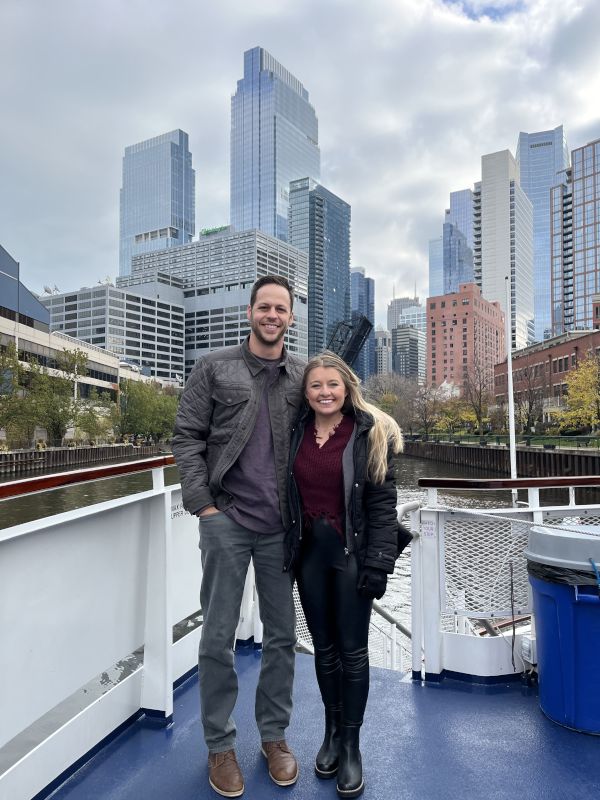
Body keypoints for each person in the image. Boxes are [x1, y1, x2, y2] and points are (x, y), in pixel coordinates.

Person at [172, 276, 304, 798]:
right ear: (250, 311)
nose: (272, 315)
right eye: (264, 307)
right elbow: (186, 435)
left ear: (291, 317)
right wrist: (203, 505)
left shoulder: (303, 375)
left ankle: (274, 737)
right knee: (217, 637)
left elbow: (339, 424)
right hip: (225, 519)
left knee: (282, 637)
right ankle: (220, 745)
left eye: (282, 309)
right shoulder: (213, 367)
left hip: (282, 528)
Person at [285, 351, 403, 799]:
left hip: (351, 554)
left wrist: (378, 563)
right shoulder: (296, 431)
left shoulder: (368, 434)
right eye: (316, 385)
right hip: (309, 556)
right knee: (324, 650)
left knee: (353, 652)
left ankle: (352, 745)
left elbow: (381, 504)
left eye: (332, 384)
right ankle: (331, 732)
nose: (324, 392)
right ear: (306, 392)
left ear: (347, 387)